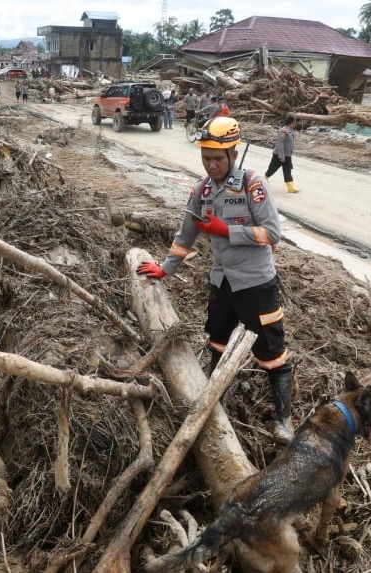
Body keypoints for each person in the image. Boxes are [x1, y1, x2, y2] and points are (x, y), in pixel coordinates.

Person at [135, 117, 296, 444]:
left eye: (217, 158)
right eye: (206, 157)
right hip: (222, 284)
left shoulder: (253, 186)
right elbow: (186, 234)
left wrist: (227, 231)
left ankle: (283, 421)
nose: (211, 164)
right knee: (217, 343)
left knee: (272, 353)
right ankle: (215, 405)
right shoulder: (202, 190)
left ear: (233, 153)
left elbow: (273, 233)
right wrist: (166, 269)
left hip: (256, 284)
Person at [264, 114, 300, 194]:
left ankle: (291, 188)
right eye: (294, 122)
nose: (295, 123)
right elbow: (280, 144)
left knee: (287, 170)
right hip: (279, 155)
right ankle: (263, 180)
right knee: (272, 169)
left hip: (287, 155)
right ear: (291, 122)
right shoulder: (283, 130)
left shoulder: (290, 130)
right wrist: (281, 156)